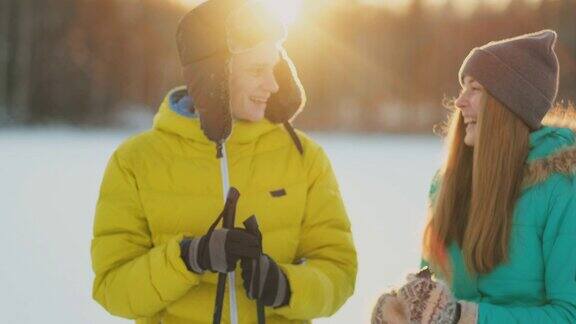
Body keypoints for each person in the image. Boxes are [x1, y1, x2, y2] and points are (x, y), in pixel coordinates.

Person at [91, 1, 357, 323]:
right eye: (257, 70)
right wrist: (188, 258)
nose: (272, 85)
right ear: (213, 74)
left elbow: (339, 272)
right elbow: (113, 289)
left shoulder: (304, 158)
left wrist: (285, 287)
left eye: (275, 67)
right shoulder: (135, 162)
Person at [372, 30, 576, 323]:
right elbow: (433, 290)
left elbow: (569, 314)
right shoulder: (447, 185)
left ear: (509, 104)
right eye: (462, 88)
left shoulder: (561, 188)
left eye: (475, 88)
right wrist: (401, 308)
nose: (459, 102)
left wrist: (465, 316)